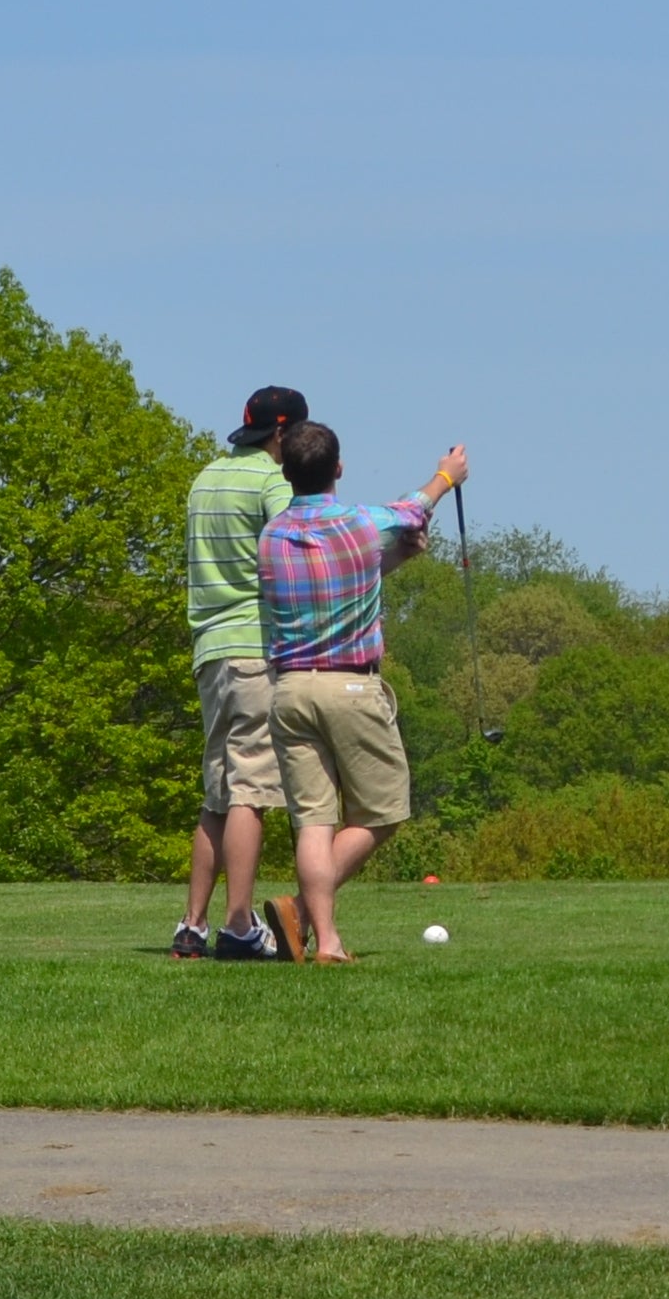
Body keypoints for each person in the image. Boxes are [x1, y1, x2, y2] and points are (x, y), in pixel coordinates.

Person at [255, 419, 469, 966]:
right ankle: (302, 912)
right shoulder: (360, 523)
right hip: (351, 685)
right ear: (339, 469)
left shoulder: (272, 537)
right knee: (383, 811)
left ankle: (323, 941)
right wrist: (447, 475)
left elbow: (341, 578)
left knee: (312, 822)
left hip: (289, 690)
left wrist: (396, 559)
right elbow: (413, 510)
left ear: (286, 471)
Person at [175, 385, 309, 961]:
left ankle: (191, 926)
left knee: (217, 794)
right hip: (256, 649)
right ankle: (237, 927)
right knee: (252, 790)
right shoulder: (271, 484)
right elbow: (294, 552)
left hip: (209, 651)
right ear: (281, 434)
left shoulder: (205, 478)